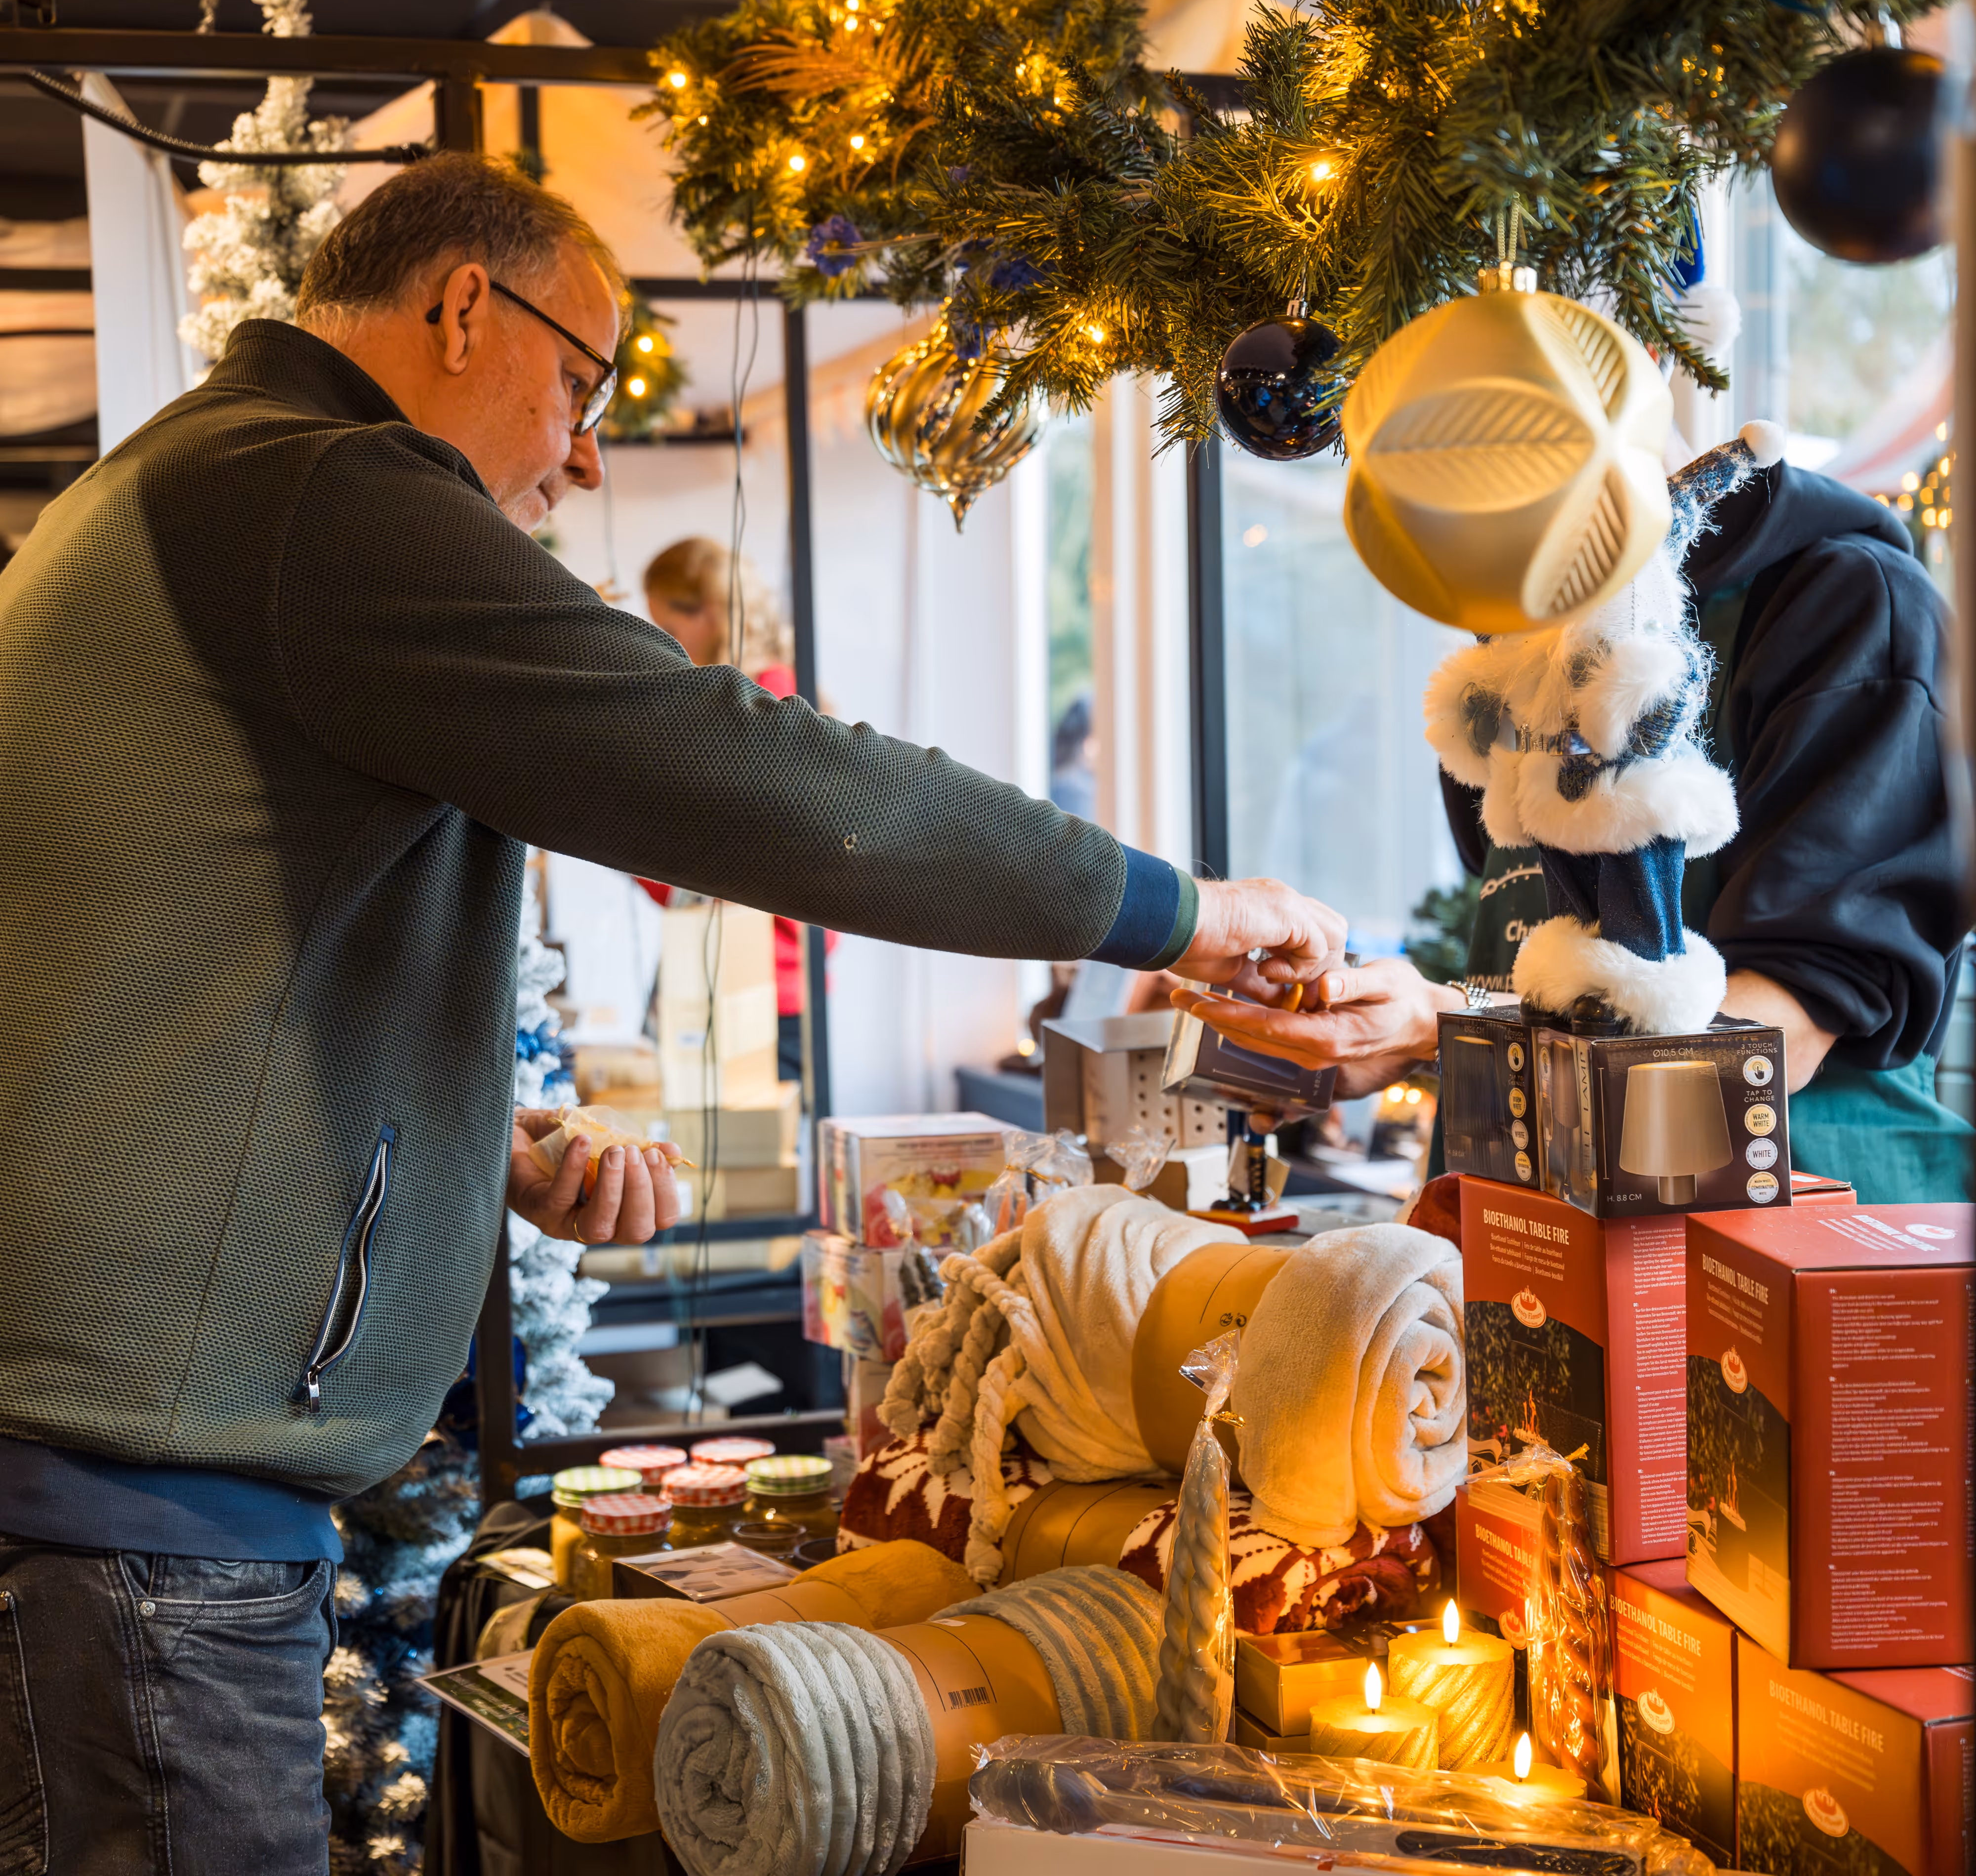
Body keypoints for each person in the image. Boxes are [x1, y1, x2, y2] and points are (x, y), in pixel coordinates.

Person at [0, 153, 1346, 1872]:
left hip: (106, 1490)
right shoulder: (317, 489)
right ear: (463, 304)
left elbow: (156, 975)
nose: (579, 455)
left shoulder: (188, 491)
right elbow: (743, 767)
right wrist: (1178, 908)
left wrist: (473, 1151)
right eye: (585, 378)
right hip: (141, 1517)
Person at [1173, 452, 1971, 1200]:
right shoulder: (1521, 657)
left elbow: (1774, 1043)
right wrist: (1374, 1033)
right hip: (1535, 1242)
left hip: (1785, 1254)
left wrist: (1442, 1028)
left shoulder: (1847, 608)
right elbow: (1524, 991)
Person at [634, 535, 824, 1083]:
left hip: (759, 978)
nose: (664, 646)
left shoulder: (762, 706)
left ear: (712, 614)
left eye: (669, 629)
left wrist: (627, 841)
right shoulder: (772, 692)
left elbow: (723, 856)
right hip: (737, 967)